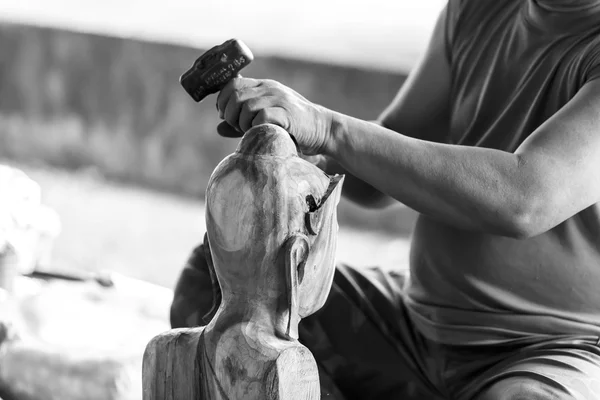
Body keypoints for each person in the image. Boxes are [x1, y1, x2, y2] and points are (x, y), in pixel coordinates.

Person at [171, 0, 600, 398]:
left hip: (553, 346)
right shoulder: (479, 8)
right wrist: (302, 142)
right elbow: (372, 181)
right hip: (412, 323)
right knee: (214, 287)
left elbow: (525, 200)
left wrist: (328, 128)